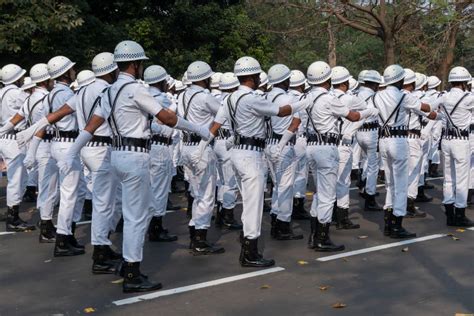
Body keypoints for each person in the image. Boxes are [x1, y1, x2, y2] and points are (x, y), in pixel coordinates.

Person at [36, 40, 209, 293]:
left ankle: (115, 259)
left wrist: (71, 153)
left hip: (115, 154)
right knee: (136, 217)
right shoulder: (135, 90)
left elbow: (91, 126)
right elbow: (168, 118)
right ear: (135, 64)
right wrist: (199, 129)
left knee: (117, 209)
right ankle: (132, 273)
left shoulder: (109, 91)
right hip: (135, 155)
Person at [205, 56, 312, 267]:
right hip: (250, 154)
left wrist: (202, 146)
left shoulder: (228, 99)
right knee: (253, 205)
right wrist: (305, 101)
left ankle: (248, 245)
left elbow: (216, 124)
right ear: (253, 77)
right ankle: (250, 253)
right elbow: (281, 111)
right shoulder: (251, 98)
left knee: (247, 203)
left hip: (236, 151)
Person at [304, 61, 377, 252]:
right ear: (327, 79)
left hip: (311, 146)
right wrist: (370, 111)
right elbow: (352, 116)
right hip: (326, 147)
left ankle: (314, 235)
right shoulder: (328, 98)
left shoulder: (307, 96)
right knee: (327, 195)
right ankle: (322, 238)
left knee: (320, 193)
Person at [373, 65, 439, 238]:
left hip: (383, 141)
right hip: (398, 141)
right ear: (400, 80)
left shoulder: (377, 96)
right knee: (401, 184)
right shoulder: (403, 96)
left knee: (390, 184)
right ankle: (397, 225)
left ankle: (388, 223)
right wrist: (439, 103)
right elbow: (425, 108)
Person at [177, 61, 224, 255]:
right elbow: (223, 114)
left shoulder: (181, 95)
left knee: (196, 192)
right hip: (201, 147)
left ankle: (194, 231)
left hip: (186, 147)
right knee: (206, 195)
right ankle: (200, 238)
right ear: (205, 78)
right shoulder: (205, 97)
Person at [265, 64, 303, 240]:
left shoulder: (264, 97)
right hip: (284, 144)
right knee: (286, 187)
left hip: (268, 145)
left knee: (276, 186)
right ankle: (283, 226)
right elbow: (295, 124)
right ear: (286, 80)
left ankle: (275, 219)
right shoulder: (290, 99)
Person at [433, 66, 474, 227]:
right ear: (464, 82)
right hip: (461, 141)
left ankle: (450, 215)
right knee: (462, 179)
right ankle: (460, 215)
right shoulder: (469, 98)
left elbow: (428, 107)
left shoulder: (444, 96)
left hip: (446, 141)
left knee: (448, 179)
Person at [144, 64, 178, 242]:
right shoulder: (163, 99)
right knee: (159, 189)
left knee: (149, 189)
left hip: (145, 147)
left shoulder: (143, 95)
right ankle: (156, 228)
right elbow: (173, 121)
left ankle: (151, 225)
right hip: (160, 146)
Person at [0, 64, 36, 232]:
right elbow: (32, 108)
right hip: (14, 138)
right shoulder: (17, 93)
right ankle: (13, 217)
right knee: (17, 180)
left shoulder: (1, 92)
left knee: (14, 178)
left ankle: (11, 213)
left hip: (4, 136)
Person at [330, 66, 364, 230]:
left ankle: (329, 215)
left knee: (329, 182)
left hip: (327, 144)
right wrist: (351, 131)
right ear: (345, 83)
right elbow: (364, 111)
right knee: (343, 181)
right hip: (343, 144)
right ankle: (342, 217)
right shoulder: (350, 99)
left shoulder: (326, 97)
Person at [213, 72, 241, 230]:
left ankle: (220, 213)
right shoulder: (232, 101)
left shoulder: (216, 99)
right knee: (231, 182)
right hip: (228, 143)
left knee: (221, 181)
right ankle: (228, 215)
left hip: (217, 141)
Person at [354, 70, 384, 212]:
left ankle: (363, 183)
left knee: (365, 159)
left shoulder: (356, 93)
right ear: (375, 84)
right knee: (373, 165)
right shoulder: (375, 96)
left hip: (359, 131)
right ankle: (370, 196)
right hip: (371, 132)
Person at [288, 70, 311, 220]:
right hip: (300, 138)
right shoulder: (305, 99)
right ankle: (298, 205)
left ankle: (286, 207)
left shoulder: (283, 97)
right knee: (301, 174)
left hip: (286, 139)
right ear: (302, 84)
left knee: (287, 175)